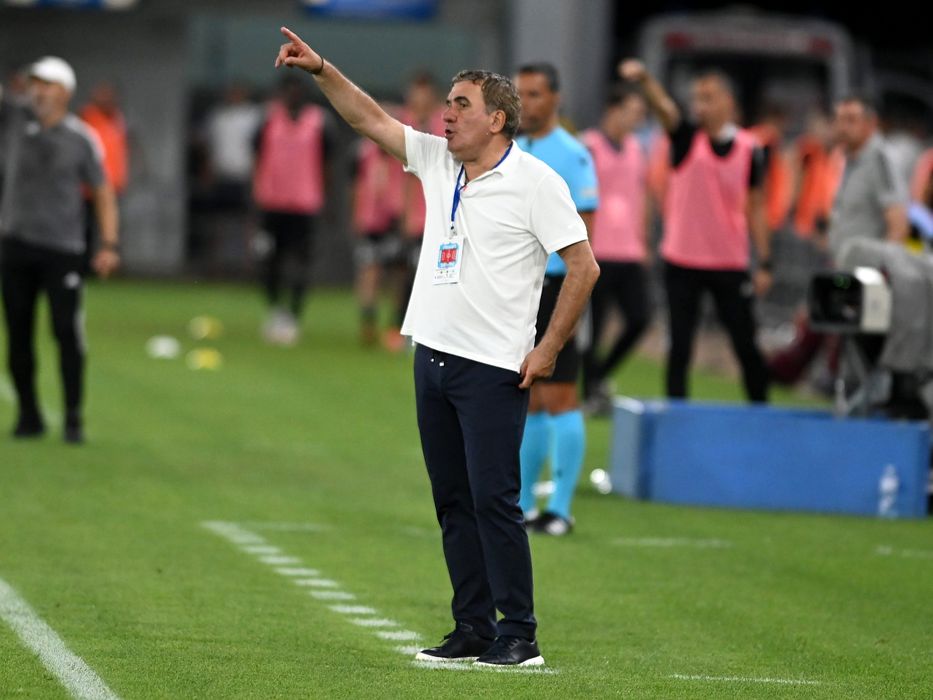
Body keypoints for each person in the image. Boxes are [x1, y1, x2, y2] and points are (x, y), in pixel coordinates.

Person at [274, 27, 599, 666]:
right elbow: (368, 118)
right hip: (432, 355)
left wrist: (549, 348)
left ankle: (519, 634)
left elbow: (583, 266)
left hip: (493, 366)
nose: (446, 114)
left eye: (461, 105)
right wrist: (320, 69)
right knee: (452, 502)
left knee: (494, 502)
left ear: (497, 119)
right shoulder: (438, 160)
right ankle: (472, 626)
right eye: (447, 103)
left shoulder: (537, 182)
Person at [620, 60, 772, 403]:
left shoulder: (750, 148)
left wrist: (765, 261)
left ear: (728, 102)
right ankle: (677, 415)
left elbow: (757, 206)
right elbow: (665, 108)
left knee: (746, 344)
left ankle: (761, 413)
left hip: (729, 262)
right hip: (682, 260)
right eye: (696, 98)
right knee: (680, 347)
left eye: (708, 98)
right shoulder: (686, 137)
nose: (699, 106)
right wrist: (645, 79)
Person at [0, 57, 119, 443]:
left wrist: (109, 244)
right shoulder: (13, 122)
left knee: (66, 331)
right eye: (34, 83)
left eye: (47, 84)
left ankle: (72, 417)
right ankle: (29, 415)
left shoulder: (81, 137)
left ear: (65, 92)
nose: (38, 91)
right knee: (18, 333)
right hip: (16, 244)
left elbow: (102, 192)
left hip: (62, 249)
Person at [513, 63, 598, 537]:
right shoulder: (511, 150)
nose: (526, 102)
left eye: (535, 94)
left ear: (555, 99)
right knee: (527, 397)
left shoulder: (573, 155)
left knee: (561, 395)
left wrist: (576, 300)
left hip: (558, 288)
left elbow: (587, 237)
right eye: (520, 93)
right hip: (518, 290)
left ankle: (560, 509)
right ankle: (525, 506)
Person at [580, 85, 653, 412]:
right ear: (613, 109)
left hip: (629, 250)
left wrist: (644, 238)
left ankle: (598, 377)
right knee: (592, 329)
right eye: (632, 111)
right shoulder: (589, 146)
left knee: (640, 318)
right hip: (597, 251)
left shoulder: (637, 149)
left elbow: (642, 195)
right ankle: (590, 391)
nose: (637, 119)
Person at [253, 74, 329, 346]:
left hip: (304, 204)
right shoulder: (267, 119)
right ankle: (276, 309)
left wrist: (324, 197)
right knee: (268, 259)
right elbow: (256, 157)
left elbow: (327, 163)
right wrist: (256, 195)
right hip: (272, 203)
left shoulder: (319, 122)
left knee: (300, 261)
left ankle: (294, 314)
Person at [391, 73, 446, 352]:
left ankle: (430, 330)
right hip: (412, 213)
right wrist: (405, 213)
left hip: (441, 212)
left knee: (438, 274)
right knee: (407, 270)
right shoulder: (402, 123)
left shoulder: (446, 124)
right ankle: (402, 327)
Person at [824, 95, 908, 261]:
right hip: (846, 268)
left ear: (871, 123)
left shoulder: (879, 159)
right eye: (839, 119)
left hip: (868, 270)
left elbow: (898, 224)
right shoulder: (849, 159)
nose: (842, 128)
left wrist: (883, 268)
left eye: (851, 120)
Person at [350, 132, 404, 345]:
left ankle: (395, 325)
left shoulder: (402, 151)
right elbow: (356, 185)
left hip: (395, 220)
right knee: (369, 271)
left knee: (398, 273)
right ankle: (368, 322)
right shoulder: (363, 152)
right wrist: (356, 216)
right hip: (370, 222)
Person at [80, 81, 129, 271]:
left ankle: (108, 266)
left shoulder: (118, 119)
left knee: (110, 229)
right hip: (89, 187)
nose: (105, 99)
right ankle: (83, 266)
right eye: (101, 95)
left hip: (113, 185)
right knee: (85, 228)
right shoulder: (87, 117)